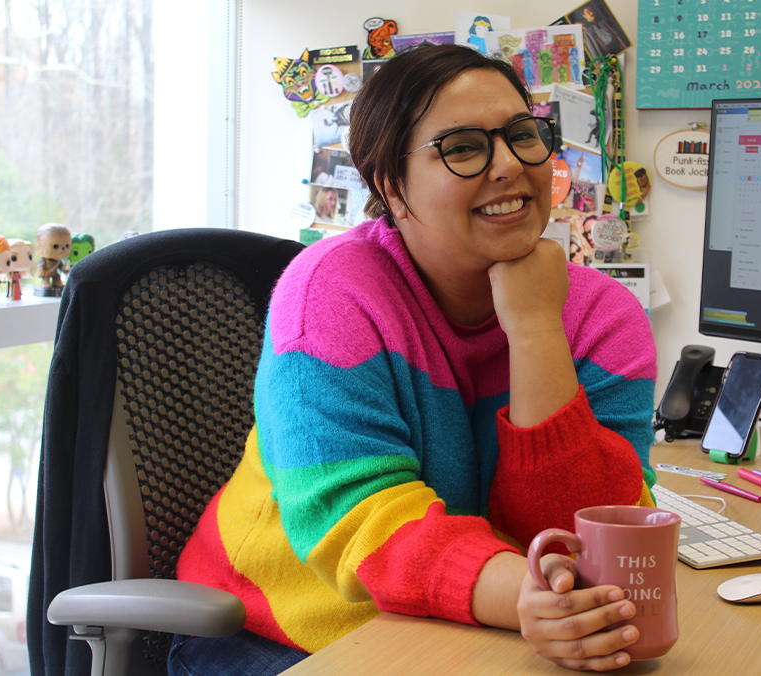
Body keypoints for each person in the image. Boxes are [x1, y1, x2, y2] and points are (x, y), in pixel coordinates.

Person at [171, 43, 657, 675]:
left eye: (522, 135)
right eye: (461, 147)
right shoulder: (331, 291)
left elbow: (597, 539)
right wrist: (527, 596)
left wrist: (535, 331)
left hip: (476, 624)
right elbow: (359, 518)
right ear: (390, 186)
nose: (509, 164)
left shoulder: (603, 315)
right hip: (276, 630)